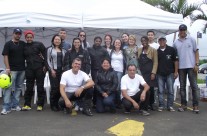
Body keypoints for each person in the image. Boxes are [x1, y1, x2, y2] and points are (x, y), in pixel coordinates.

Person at [173, 24, 200, 113]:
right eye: (181, 30)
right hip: (181, 68)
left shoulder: (191, 39)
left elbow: (196, 52)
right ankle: (183, 104)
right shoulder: (175, 43)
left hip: (191, 67)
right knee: (182, 87)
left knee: (194, 86)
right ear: (179, 31)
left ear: (186, 30)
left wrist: (196, 64)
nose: (182, 31)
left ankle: (195, 105)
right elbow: (175, 57)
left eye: (184, 30)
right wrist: (175, 70)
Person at [1, 28, 25, 115]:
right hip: (12, 70)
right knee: (8, 88)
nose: (18, 35)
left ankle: (15, 105)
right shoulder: (8, 44)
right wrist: (7, 68)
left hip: (22, 70)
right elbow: (5, 56)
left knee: (18, 88)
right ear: (13, 34)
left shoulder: (22, 44)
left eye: (19, 34)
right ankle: (6, 107)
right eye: (16, 33)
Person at [22, 30, 47, 111]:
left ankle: (40, 105)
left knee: (40, 87)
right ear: (25, 38)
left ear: (33, 37)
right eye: (27, 37)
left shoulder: (39, 44)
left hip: (39, 68)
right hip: (29, 69)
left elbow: (46, 55)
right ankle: (27, 105)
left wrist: (45, 66)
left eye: (30, 37)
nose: (29, 38)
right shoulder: (24, 46)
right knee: (29, 87)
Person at [157, 36, 178, 112]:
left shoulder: (172, 49)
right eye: (160, 40)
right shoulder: (157, 51)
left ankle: (170, 106)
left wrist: (176, 72)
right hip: (159, 74)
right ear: (158, 42)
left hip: (170, 73)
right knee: (160, 91)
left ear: (166, 41)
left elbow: (176, 61)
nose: (162, 41)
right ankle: (161, 105)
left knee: (170, 90)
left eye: (163, 40)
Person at [88, 36, 110, 106]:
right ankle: (94, 102)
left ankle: (101, 100)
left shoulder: (104, 50)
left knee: (100, 85)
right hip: (92, 70)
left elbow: (108, 60)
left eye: (99, 41)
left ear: (101, 42)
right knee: (94, 85)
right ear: (94, 41)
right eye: (96, 41)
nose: (98, 42)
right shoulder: (89, 49)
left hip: (101, 70)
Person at [47, 34, 67, 111]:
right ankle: (53, 105)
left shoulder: (63, 50)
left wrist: (64, 71)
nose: (57, 41)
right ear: (53, 40)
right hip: (53, 71)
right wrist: (51, 70)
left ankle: (57, 103)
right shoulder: (49, 49)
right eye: (56, 39)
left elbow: (65, 61)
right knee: (54, 88)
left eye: (59, 39)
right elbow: (47, 60)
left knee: (60, 88)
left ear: (61, 41)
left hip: (61, 71)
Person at [138, 36, 158, 110]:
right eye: (142, 41)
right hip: (142, 73)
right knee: (142, 88)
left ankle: (151, 104)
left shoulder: (153, 50)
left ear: (148, 41)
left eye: (145, 40)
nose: (144, 42)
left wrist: (153, 73)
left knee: (151, 89)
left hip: (150, 73)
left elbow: (155, 62)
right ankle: (143, 103)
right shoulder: (140, 49)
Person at [110, 38, 126, 108]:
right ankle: (113, 101)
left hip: (120, 71)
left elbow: (125, 61)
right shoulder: (111, 52)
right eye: (116, 42)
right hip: (112, 70)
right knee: (112, 85)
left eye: (119, 43)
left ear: (121, 44)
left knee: (118, 86)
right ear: (114, 43)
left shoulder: (123, 52)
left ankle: (118, 102)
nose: (117, 44)